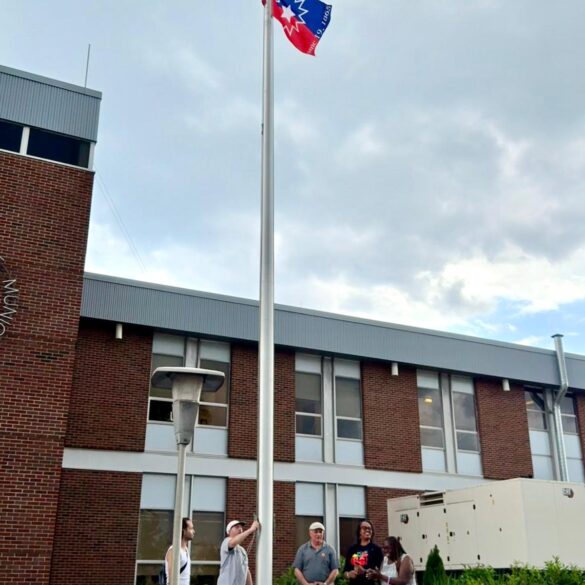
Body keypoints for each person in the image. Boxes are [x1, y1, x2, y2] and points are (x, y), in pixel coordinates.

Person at [217, 518, 260, 585]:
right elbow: (232, 543)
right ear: (229, 531)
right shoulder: (226, 541)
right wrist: (251, 530)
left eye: (241, 527)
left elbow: (246, 571)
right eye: (237, 527)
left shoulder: (242, 551)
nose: (240, 529)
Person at [342, 519, 383, 585]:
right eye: (364, 528)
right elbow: (345, 572)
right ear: (359, 532)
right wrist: (349, 574)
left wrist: (365, 571)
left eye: (370, 528)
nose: (367, 530)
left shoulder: (377, 550)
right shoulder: (352, 549)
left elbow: (380, 573)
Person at [164, 517, 194, 585]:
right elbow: (171, 580)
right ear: (184, 530)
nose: (193, 531)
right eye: (191, 528)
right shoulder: (173, 550)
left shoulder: (186, 550)